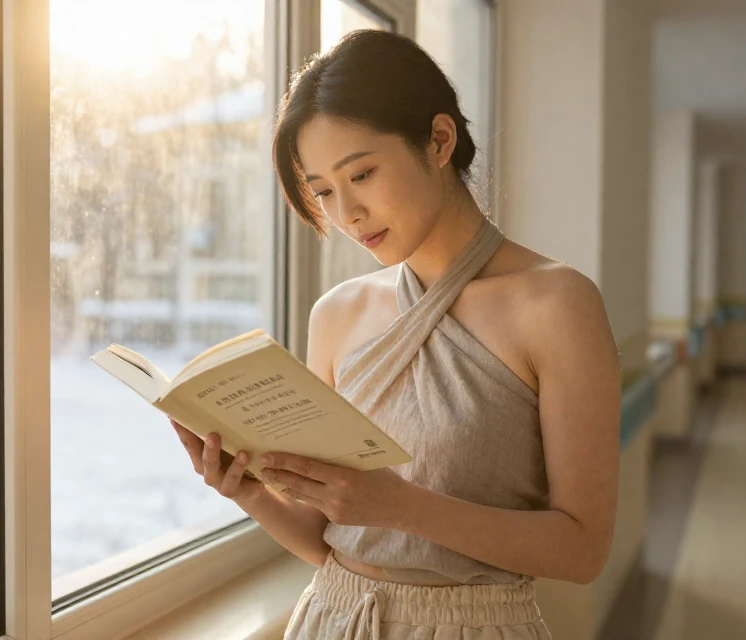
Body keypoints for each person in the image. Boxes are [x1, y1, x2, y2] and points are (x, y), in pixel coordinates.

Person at [171, 29, 620, 639]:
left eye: (362, 174)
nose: (345, 213)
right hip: (332, 618)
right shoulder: (336, 315)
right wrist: (249, 492)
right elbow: (333, 537)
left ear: (439, 140)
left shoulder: (556, 304)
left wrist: (405, 508)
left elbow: (583, 549)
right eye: (323, 191)